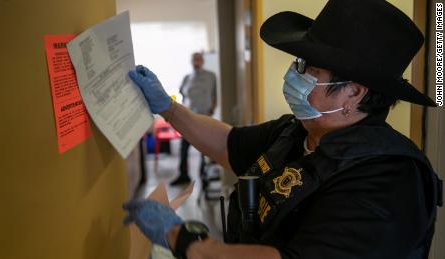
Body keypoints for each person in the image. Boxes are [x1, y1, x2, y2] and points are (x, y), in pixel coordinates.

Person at [124, 0, 443, 258]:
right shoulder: (299, 132)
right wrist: (167, 106)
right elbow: (228, 143)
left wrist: (183, 239)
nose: (294, 73)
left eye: (309, 69)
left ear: (354, 92)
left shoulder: (387, 179)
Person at [172, 52, 217, 185]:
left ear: (202, 61)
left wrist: (211, 110)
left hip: (203, 118)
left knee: (204, 148)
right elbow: (182, 94)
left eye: (199, 59)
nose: (196, 62)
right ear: (191, 62)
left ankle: (204, 175)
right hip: (188, 119)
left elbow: (215, 95)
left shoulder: (211, 76)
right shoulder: (187, 78)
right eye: (194, 60)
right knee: (183, 148)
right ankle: (183, 174)